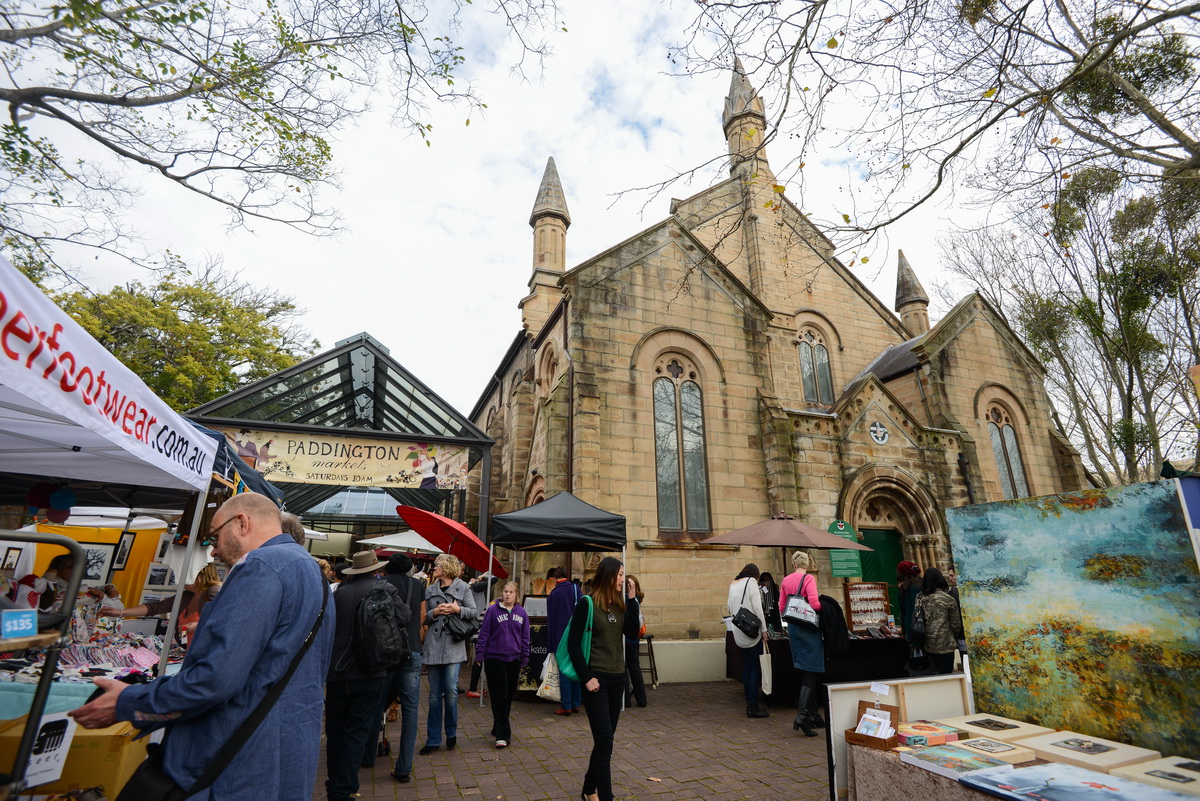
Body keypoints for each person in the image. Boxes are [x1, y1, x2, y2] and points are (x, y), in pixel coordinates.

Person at [68, 492, 334, 801]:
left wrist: (129, 700)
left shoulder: (260, 566)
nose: (213, 551)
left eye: (215, 537)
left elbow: (215, 679)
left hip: (234, 763)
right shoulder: (310, 569)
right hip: (283, 754)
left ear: (242, 523)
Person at [326, 550, 409, 801]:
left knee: (336, 732)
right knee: (357, 731)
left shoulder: (338, 593)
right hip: (371, 670)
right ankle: (344, 789)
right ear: (375, 569)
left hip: (338, 671)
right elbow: (405, 617)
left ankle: (334, 783)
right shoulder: (383, 590)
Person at [567, 556, 639, 801]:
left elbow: (631, 633)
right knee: (605, 741)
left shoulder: (619, 605)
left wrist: (632, 600)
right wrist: (587, 678)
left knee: (604, 742)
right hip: (596, 683)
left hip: (617, 679)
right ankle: (606, 796)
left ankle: (589, 788)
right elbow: (573, 644)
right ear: (608, 575)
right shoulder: (587, 604)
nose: (622, 578)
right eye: (620, 574)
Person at [375, 553, 426, 784]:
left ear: (388, 568)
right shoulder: (418, 585)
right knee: (411, 710)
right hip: (413, 650)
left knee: (377, 701)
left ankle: (367, 753)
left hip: (388, 652)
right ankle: (404, 766)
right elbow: (422, 615)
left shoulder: (382, 585)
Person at [419, 553, 476, 754]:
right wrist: (434, 613)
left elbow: (474, 613)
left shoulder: (463, 587)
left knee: (451, 691)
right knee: (434, 694)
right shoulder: (430, 590)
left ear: (447, 567)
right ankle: (433, 739)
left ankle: (451, 732)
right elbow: (422, 618)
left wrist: (456, 609)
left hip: (453, 644)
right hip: (434, 645)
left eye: (438, 565)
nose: (434, 567)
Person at [105, 563, 222, 645]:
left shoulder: (213, 591)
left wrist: (197, 626)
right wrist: (120, 612)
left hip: (207, 653)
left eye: (187, 575)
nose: (181, 579)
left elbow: (223, 620)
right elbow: (155, 608)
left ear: (201, 575)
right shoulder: (187, 595)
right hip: (191, 652)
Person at [476, 581, 530, 748]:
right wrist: (480, 653)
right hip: (494, 658)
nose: (507, 594)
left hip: (513, 658)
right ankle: (502, 735)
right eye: (505, 591)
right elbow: (484, 632)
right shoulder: (493, 610)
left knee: (507, 695)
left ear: (516, 595)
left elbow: (525, 636)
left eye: (511, 592)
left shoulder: (521, 613)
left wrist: (524, 656)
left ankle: (497, 725)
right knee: (499, 695)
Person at [780, 550, 823, 737]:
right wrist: (825, 608)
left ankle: (813, 715)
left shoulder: (785, 580)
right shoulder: (809, 579)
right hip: (807, 628)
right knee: (812, 670)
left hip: (794, 628)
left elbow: (782, 607)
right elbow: (814, 603)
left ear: (793, 564)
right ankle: (803, 716)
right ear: (806, 565)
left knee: (806, 668)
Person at [727, 564, 769, 718]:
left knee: (746, 667)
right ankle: (753, 706)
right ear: (755, 575)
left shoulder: (733, 584)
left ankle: (749, 702)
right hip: (751, 631)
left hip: (738, 630)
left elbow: (728, 608)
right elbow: (758, 608)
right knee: (754, 668)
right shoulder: (751, 582)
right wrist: (764, 629)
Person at [546, 566, 582, 716]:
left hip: (561, 637)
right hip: (576, 635)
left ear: (555, 578)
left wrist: (551, 646)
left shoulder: (554, 594)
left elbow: (551, 622)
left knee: (564, 671)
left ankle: (566, 705)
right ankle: (576, 703)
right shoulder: (575, 589)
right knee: (576, 668)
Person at [916, 567, 964, 675]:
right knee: (946, 674)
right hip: (946, 644)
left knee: (931, 674)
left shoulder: (920, 598)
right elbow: (956, 624)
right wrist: (952, 638)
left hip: (927, 643)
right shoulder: (948, 599)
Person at [623, 575, 647, 708]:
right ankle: (641, 699)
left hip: (625, 638)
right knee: (635, 667)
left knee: (624, 668)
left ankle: (626, 700)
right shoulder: (636, 599)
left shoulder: (625, 599)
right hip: (634, 639)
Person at [897, 560, 922, 641]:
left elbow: (907, 609)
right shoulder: (921, 584)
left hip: (914, 628)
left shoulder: (908, 588)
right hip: (921, 627)